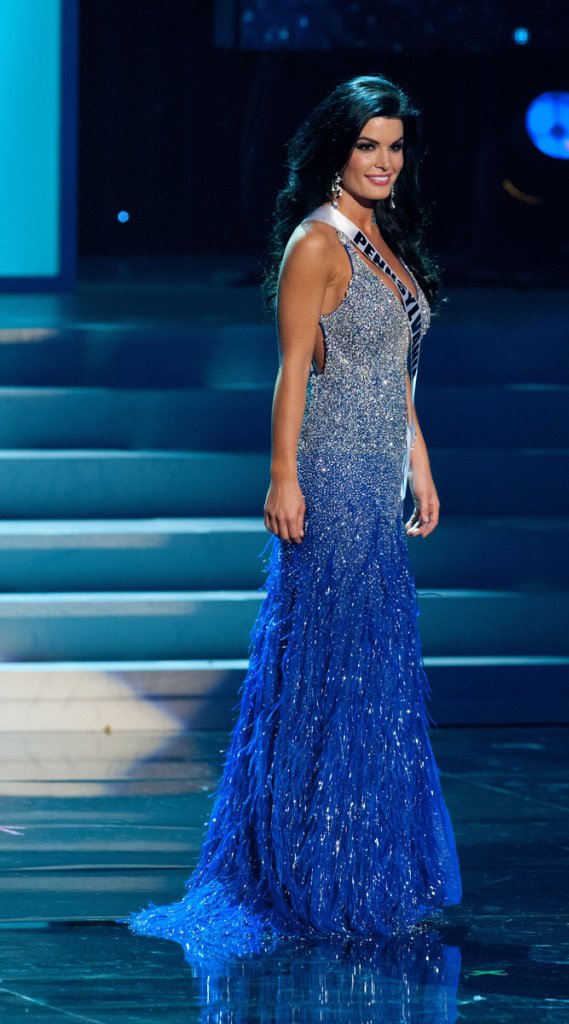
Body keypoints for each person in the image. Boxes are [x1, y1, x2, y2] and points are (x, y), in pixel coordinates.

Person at [126, 74, 461, 964]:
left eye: (394, 147)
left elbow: (396, 374)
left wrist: (419, 460)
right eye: (368, 147)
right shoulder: (319, 242)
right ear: (336, 151)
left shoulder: (383, 239)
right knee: (327, 667)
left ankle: (358, 869)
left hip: (377, 476)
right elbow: (292, 370)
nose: (384, 162)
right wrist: (281, 475)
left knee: (371, 669)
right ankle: (304, 872)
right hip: (331, 478)